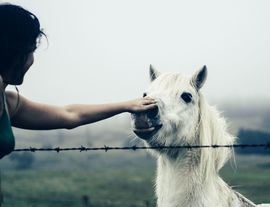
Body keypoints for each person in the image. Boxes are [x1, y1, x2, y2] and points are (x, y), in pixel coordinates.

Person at [0, 3, 157, 159]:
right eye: (31, 50)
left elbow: (70, 114)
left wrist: (127, 105)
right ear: (15, 51)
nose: (32, 59)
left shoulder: (9, 103)